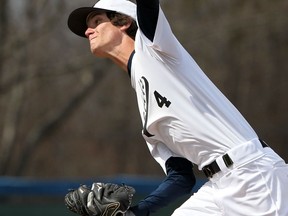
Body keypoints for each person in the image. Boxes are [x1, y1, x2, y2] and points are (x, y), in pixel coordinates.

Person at [67, 0, 288, 215]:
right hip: (217, 187)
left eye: (97, 21)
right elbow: (181, 178)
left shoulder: (155, 48)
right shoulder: (143, 105)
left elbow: (148, 6)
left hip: (252, 174)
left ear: (124, 21)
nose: (88, 31)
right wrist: (136, 212)